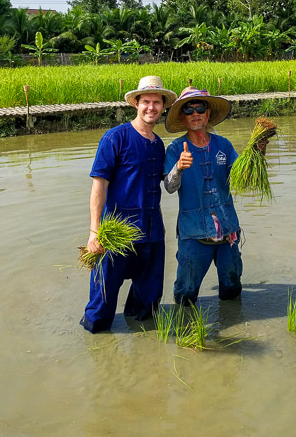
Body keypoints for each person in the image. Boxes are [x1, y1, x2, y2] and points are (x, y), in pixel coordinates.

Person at [81, 75, 178, 333]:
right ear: (136, 103)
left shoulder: (159, 145)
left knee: (148, 303)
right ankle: (98, 350)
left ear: (163, 107)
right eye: (146, 101)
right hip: (117, 234)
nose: (151, 107)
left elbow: (167, 184)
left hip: (152, 234)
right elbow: (98, 185)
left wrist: (179, 167)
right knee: (101, 305)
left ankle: (144, 357)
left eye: (157, 102)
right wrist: (94, 231)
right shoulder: (115, 138)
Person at [163, 86, 249, 306]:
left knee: (232, 289)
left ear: (208, 113)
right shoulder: (174, 149)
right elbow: (170, 187)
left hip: (227, 230)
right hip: (194, 233)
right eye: (189, 110)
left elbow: (242, 179)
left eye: (200, 108)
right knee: (186, 294)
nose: (195, 113)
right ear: (182, 117)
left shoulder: (224, 145)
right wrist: (179, 167)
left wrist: (257, 155)